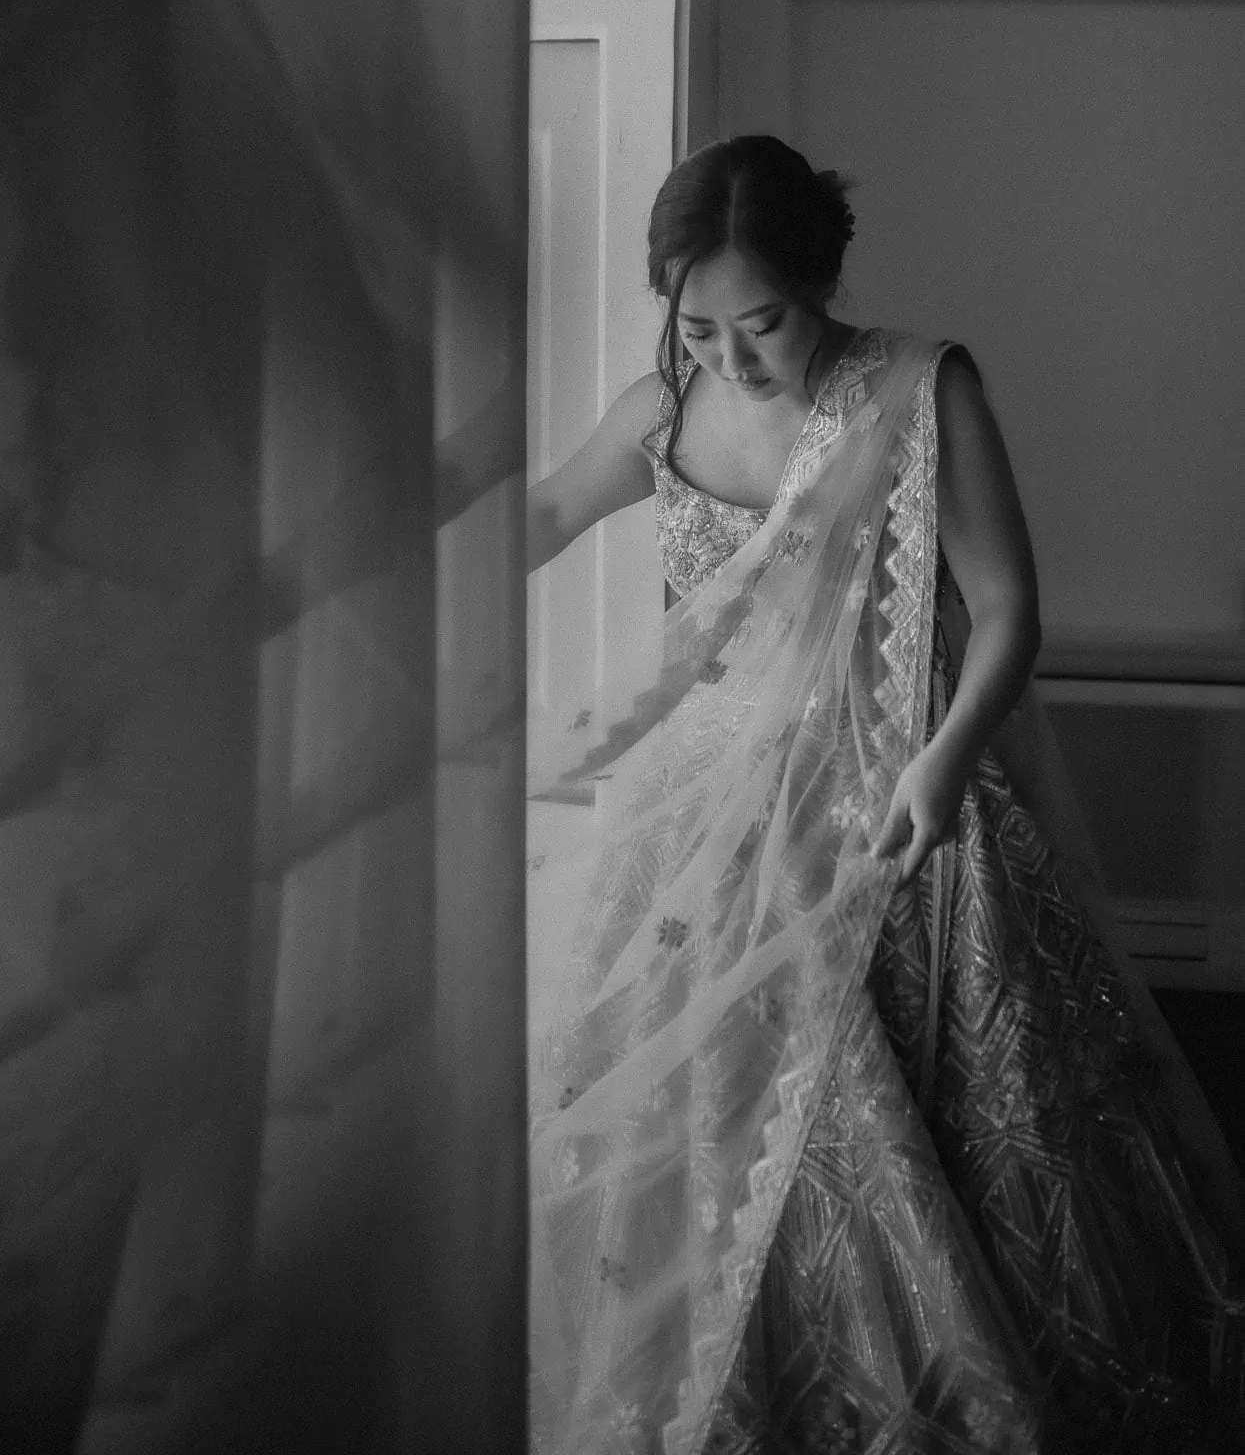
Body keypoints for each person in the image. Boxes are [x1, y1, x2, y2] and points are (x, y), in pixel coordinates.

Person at [525, 135, 1245, 1455]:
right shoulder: (663, 409)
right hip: (713, 810)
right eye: (697, 326)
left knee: (947, 1117)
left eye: (764, 324)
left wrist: (945, 757)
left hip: (897, 780)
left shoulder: (917, 391)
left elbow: (1010, 610)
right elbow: (543, 514)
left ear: (821, 285)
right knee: (690, 1106)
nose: (731, 360)